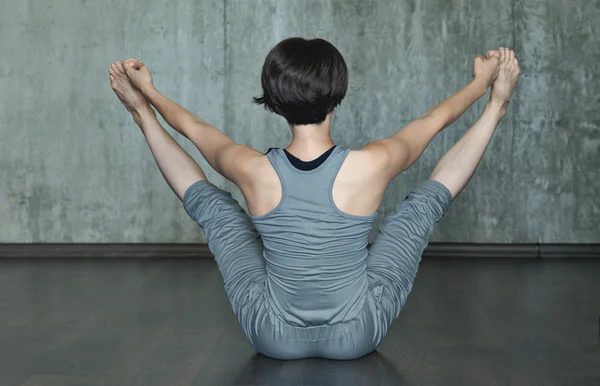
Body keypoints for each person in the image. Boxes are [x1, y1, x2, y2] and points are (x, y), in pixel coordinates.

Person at [108, 38, 520, 360]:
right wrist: (483, 86)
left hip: (273, 335)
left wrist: (149, 97)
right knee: (421, 208)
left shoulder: (251, 169)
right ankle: (495, 111)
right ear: (336, 94)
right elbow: (434, 120)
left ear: (273, 99)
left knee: (213, 209)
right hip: (357, 333)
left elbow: (195, 129)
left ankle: (140, 118)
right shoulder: (372, 163)